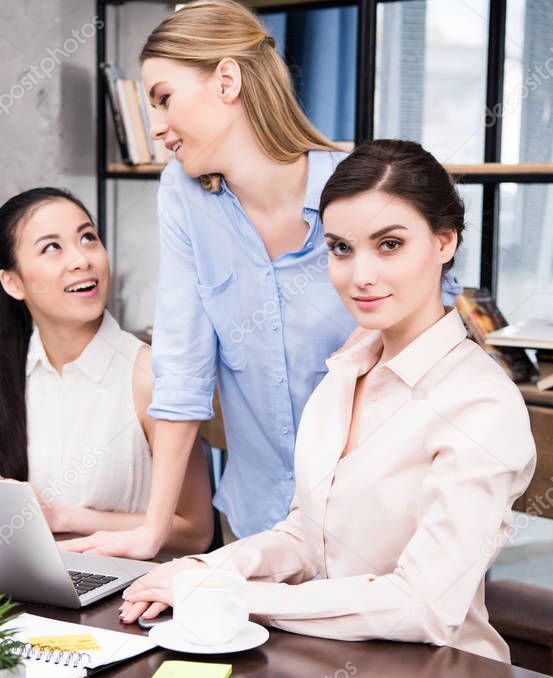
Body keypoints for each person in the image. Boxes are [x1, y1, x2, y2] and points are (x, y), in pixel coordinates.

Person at [62, 0, 461, 559]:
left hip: (374, 530)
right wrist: (154, 529)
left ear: (227, 80)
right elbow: (182, 365)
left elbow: (432, 335)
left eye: (164, 99)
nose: (156, 129)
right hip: (253, 525)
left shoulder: (356, 193)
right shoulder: (183, 196)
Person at [118, 139, 537, 664]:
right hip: (328, 660)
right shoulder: (343, 372)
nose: (360, 275)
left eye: (389, 245)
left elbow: (423, 604)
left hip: (437, 671)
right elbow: (304, 536)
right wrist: (209, 570)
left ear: (444, 242)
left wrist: (232, 596)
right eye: (341, 248)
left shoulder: (480, 404)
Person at [0, 187, 214, 553]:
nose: (81, 260)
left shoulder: (150, 376)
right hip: (39, 584)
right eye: (52, 247)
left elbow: (196, 530)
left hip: (130, 595)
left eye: (88, 238)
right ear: (13, 282)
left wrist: (67, 519)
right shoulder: (0, 367)